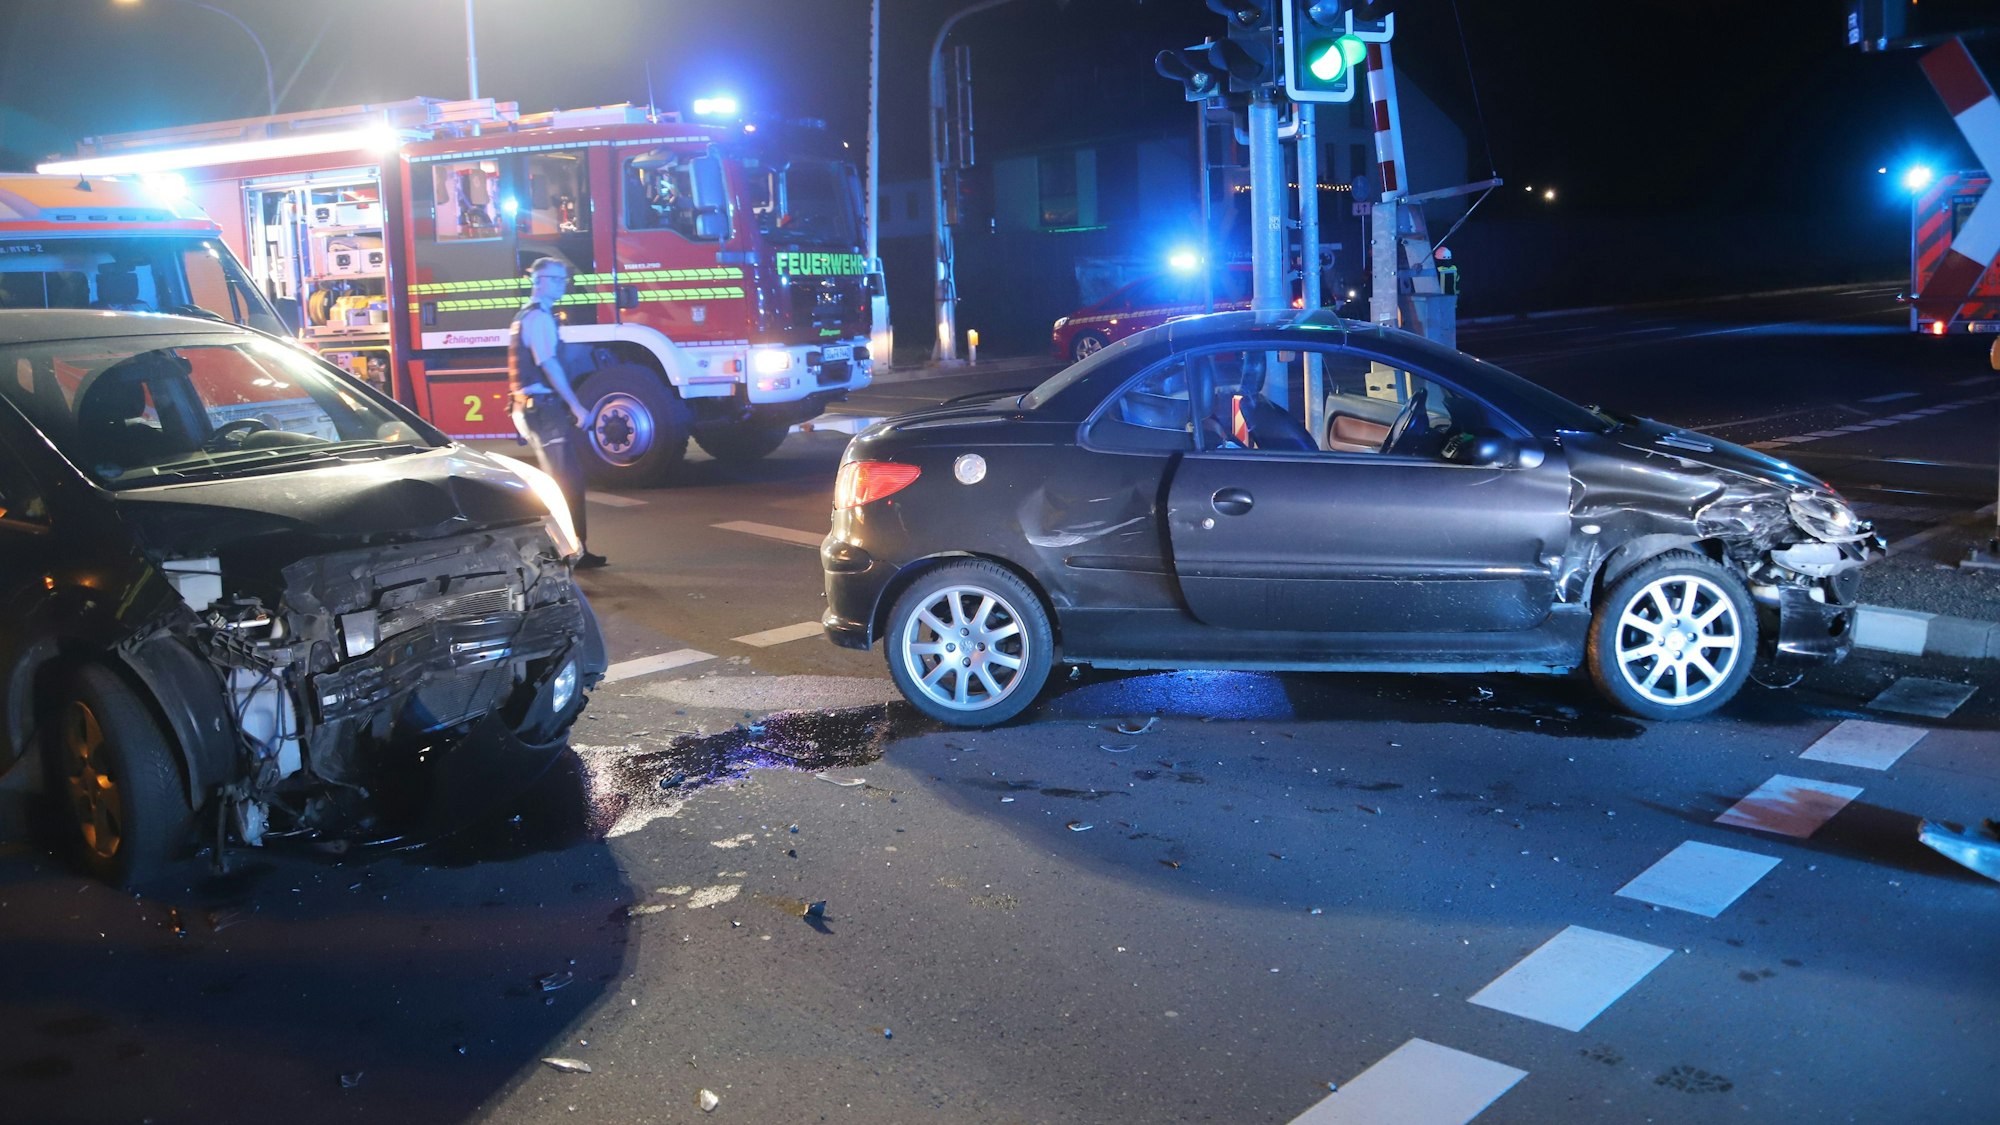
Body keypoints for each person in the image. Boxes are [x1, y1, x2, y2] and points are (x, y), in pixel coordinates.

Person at [509, 257, 607, 568]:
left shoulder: (528, 315)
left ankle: (573, 549)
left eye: (564, 279)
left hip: (534, 407)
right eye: (555, 279)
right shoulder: (538, 318)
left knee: (564, 480)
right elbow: (548, 364)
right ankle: (567, 553)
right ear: (538, 281)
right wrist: (576, 405)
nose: (562, 284)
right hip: (542, 409)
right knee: (565, 483)